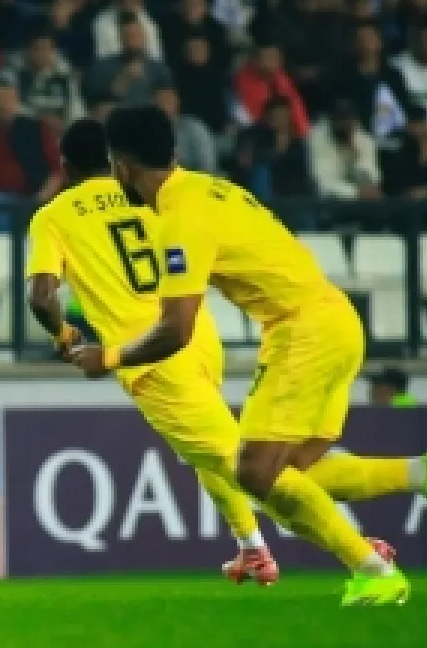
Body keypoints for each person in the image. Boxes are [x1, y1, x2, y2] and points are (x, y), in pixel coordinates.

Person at [71, 105, 427, 605]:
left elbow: (175, 329)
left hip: (301, 330)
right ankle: (424, 472)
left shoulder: (179, 219)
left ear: (122, 168)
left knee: (255, 470)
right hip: (336, 319)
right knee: (291, 477)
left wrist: (108, 358)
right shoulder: (215, 189)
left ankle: (373, 571)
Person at [26, 119, 281, 585]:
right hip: (195, 331)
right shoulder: (149, 193)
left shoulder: (54, 216)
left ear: (64, 166)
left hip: (148, 353)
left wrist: (64, 336)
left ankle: (349, 539)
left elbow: (40, 297)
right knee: (205, 453)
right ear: (111, 162)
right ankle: (251, 547)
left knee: (237, 459)